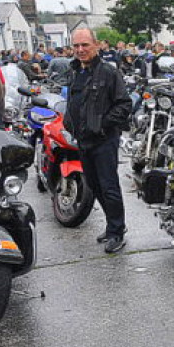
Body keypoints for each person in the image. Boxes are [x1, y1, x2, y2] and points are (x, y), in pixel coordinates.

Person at [64, 28, 132, 254]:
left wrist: (101, 124)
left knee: (109, 186)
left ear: (96, 45)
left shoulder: (109, 72)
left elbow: (124, 104)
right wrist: (69, 122)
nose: (80, 50)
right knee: (93, 185)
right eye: (76, 46)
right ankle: (113, 224)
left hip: (104, 140)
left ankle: (117, 232)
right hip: (83, 140)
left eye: (84, 45)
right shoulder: (74, 71)